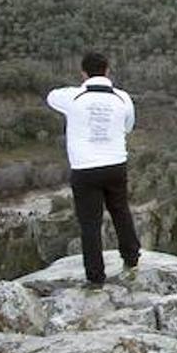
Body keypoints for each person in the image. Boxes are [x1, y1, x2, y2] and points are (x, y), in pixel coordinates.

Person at [46, 51, 140, 286]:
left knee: (90, 222)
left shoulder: (72, 98)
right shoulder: (123, 98)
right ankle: (131, 255)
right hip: (115, 163)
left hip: (85, 167)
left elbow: (51, 96)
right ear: (108, 70)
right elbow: (128, 127)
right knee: (120, 210)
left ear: (83, 73)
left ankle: (95, 275)